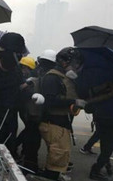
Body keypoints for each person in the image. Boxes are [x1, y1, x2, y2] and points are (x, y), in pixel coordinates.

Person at [33, 47, 85, 181]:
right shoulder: (52, 78)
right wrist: (73, 101)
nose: (76, 67)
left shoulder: (62, 78)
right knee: (56, 159)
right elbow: (50, 101)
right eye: (75, 64)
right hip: (53, 124)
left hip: (60, 125)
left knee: (59, 158)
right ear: (64, 62)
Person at [15, 56, 41, 173]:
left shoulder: (27, 78)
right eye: (25, 68)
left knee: (28, 129)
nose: (26, 71)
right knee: (29, 129)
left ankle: (20, 150)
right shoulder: (20, 77)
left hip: (23, 108)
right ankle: (15, 147)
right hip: (22, 108)